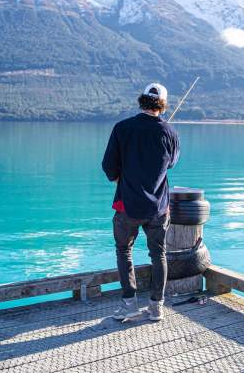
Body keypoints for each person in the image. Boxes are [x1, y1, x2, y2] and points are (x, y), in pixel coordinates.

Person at [102, 83, 180, 322]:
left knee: (124, 251)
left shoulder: (122, 128)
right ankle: (157, 307)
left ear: (142, 100)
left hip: (127, 205)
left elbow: (109, 166)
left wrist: (119, 179)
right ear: (163, 105)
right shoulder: (170, 133)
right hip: (158, 207)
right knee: (159, 255)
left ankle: (129, 305)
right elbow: (171, 164)